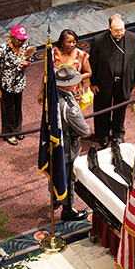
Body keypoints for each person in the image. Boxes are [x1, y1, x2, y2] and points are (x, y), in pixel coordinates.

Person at [89, 14, 135, 148]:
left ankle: (118, 133)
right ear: (109, 28)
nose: (120, 33)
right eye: (116, 30)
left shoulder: (133, 38)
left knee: (120, 109)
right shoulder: (98, 40)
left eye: (122, 29)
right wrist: (93, 82)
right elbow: (92, 63)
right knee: (103, 109)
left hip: (124, 82)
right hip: (103, 83)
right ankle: (103, 134)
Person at [55, 65, 91, 221]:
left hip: (54, 145)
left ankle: (56, 198)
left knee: (55, 174)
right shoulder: (70, 107)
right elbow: (84, 131)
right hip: (67, 148)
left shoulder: (52, 95)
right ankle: (67, 210)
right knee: (68, 179)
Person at [38, 29, 92, 106]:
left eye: (74, 42)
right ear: (62, 42)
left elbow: (89, 73)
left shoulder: (81, 54)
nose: (72, 44)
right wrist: (41, 92)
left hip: (74, 93)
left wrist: (74, 80)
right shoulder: (53, 54)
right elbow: (47, 73)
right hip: (56, 91)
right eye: (69, 42)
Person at [0, 25, 31, 145]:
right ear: (12, 37)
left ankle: (18, 130)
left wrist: (27, 64)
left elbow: (28, 58)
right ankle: (9, 133)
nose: (21, 42)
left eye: (23, 39)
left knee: (18, 106)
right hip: (6, 84)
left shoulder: (25, 45)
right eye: (19, 40)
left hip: (19, 82)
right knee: (8, 109)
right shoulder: (3, 49)